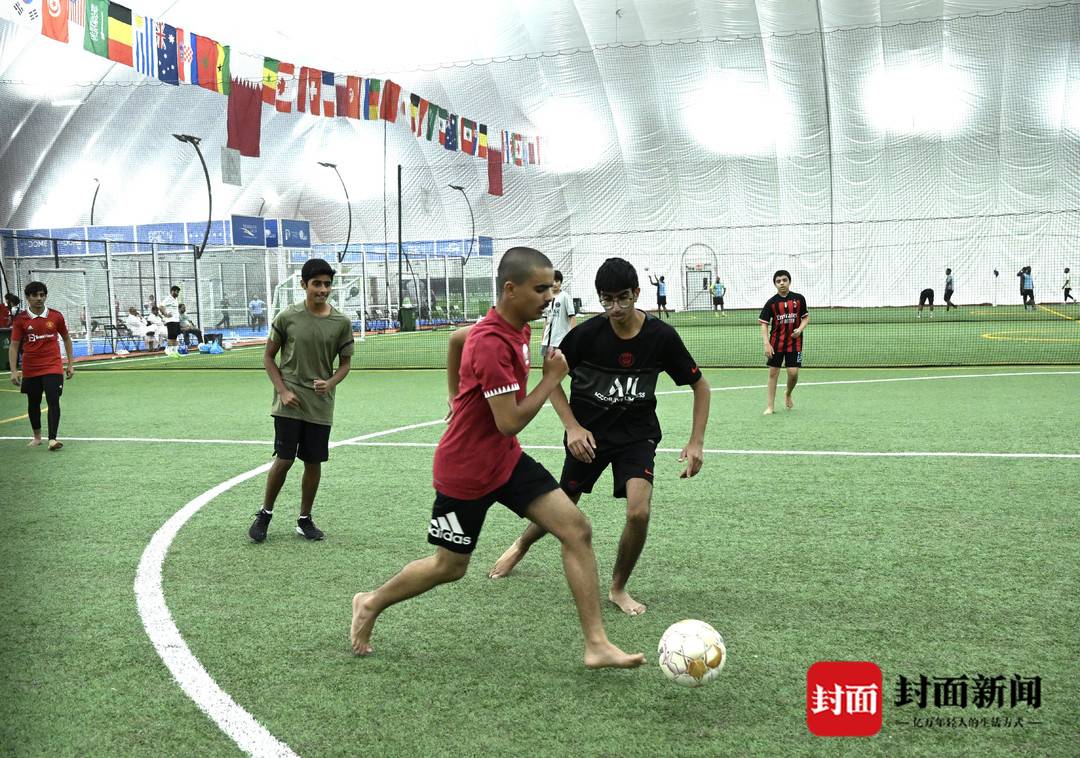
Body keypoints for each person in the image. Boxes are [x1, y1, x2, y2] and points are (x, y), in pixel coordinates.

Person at [349, 247, 645, 670]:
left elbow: (456, 340)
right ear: (511, 289)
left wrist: (454, 393)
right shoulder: (491, 343)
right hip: (466, 471)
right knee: (450, 566)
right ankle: (370, 602)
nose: (550, 296)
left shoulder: (513, 326)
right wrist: (551, 379)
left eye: (551, 288)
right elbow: (509, 422)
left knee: (576, 530)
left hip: (505, 462)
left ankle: (596, 644)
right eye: (540, 289)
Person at [487, 257, 710, 617]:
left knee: (639, 511)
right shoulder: (586, 335)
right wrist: (572, 427)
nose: (616, 308)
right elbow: (551, 381)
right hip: (588, 436)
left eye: (623, 298)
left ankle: (618, 587)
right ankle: (521, 546)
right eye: (607, 299)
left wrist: (696, 441)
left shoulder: (661, 337)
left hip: (636, 435)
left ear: (637, 293)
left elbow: (701, 386)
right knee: (564, 503)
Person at [248, 259, 353, 543]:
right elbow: (268, 357)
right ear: (303, 284)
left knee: (313, 462)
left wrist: (330, 382)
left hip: (320, 405)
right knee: (284, 459)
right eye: (317, 284)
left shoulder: (341, 322)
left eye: (327, 284)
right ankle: (265, 514)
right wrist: (282, 391)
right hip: (289, 402)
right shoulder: (287, 317)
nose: (323, 290)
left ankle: (304, 519)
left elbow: (345, 365)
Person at [8, 281, 74, 451]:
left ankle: (52, 439)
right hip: (31, 368)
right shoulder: (20, 320)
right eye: (35, 295)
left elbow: (66, 339)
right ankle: (37, 437)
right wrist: (14, 371)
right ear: (27, 297)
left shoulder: (56, 316)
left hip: (53, 366)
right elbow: (14, 346)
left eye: (42, 295)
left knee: (53, 400)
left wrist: (70, 364)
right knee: (33, 402)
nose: (39, 298)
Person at [759, 269, 808, 415]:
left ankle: (788, 393)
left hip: (795, 343)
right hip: (776, 343)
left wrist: (800, 329)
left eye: (784, 280)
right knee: (773, 373)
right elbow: (764, 324)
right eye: (778, 281)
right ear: (775, 284)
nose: (782, 283)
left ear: (789, 282)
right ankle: (770, 406)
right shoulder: (771, 303)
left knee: (793, 373)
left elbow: (805, 317)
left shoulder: (799, 299)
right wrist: (767, 343)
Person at [540, 269, 576, 348]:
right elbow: (546, 321)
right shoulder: (546, 298)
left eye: (557, 281)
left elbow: (572, 317)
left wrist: (573, 336)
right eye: (552, 281)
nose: (554, 284)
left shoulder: (565, 296)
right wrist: (543, 340)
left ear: (561, 282)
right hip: (546, 342)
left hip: (561, 341)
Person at [159, 285, 182, 353]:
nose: (177, 293)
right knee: (171, 336)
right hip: (171, 320)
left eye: (178, 292)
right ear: (172, 291)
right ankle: (168, 350)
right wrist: (165, 314)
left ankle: (175, 351)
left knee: (175, 336)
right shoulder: (168, 298)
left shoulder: (175, 299)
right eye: (176, 292)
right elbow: (161, 306)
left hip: (176, 320)